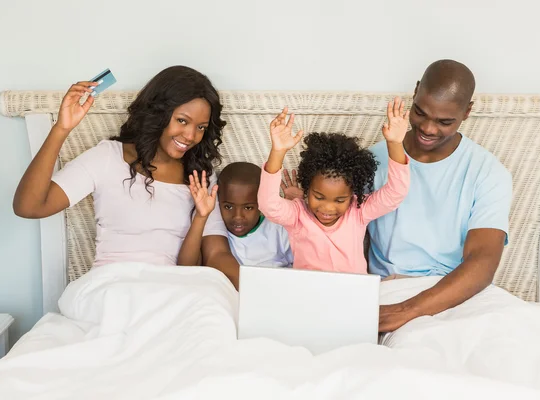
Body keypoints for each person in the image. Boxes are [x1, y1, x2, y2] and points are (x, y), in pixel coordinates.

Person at [13, 66, 240, 288]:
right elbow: (30, 206)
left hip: (171, 292)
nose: (190, 136)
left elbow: (217, 253)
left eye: (201, 127)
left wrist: (255, 289)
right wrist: (61, 129)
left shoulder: (200, 177)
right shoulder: (107, 157)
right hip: (112, 288)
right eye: (182, 120)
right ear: (159, 114)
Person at [368, 60, 512, 332]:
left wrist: (406, 311)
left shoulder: (488, 172)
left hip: (459, 291)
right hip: (391, 288)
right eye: (420, 113)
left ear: (467, 112)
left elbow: (482, 262)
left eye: (445, 121)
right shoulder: (371, 163)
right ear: (416, 91)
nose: (429, 129)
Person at [258, 100, 410, 273]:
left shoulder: (359, 211)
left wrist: (395, 144)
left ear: (353, 193)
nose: (328, 208)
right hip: (310, 293)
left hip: (351, 293)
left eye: (340, 200)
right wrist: (277, 152)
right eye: (319, 197)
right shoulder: (297, 216)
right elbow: (268, 205)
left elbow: (395, 193)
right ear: (306, 189)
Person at [217, 162, 293, 267]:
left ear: (262, 204)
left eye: (248, 208)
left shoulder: (278, 230)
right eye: (228, 207)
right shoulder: (216, 234)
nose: (237, 216)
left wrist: (298, 214)